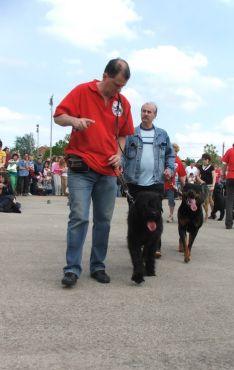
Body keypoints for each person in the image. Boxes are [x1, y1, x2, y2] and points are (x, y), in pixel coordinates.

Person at [54, 58, 134, 287]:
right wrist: (74, 120)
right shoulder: (82, 91)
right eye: (116, 84)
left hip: (108, 171)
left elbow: (124, 134)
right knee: (79, 217)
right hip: (82, 167)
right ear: (105, 75)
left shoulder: (123, 103)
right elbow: (59, 116)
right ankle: (72, 269)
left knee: (104, 220)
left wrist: (119, 154)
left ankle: (98, 265)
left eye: (122, 87)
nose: (118, 90)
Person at [122, 101, 175, 257]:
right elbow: (123, 155)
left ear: (155, 115)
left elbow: (170, 155)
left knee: (156, 214)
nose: (145, 114)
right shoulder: (130, 133)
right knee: (135, 215)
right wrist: (119, 166)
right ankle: (135, 244)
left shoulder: (162, 134)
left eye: (149, 112)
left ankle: (154, 246)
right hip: (134, 183)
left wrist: (169, 169)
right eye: (143, 111)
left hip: (156, 182)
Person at [164, 143, 186, 223]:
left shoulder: (178, 161)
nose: (173, 152)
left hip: (171, 185)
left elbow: (182, 175)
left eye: (175, 151)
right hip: (161, 183)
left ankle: (171, 215)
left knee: (171, 200)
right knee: (157, 199)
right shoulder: (164, 158)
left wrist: (184, 186)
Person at [197, 153, 216, 219]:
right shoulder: (200, 167)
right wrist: (201, 181)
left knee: (209, 199)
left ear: (208, 160)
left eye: (205, 159)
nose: (204, 160)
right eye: (203, 159)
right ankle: (205, 213)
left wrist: (213, 185)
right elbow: (197, 176)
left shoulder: (211, 167)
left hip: (210, 185)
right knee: (202, 199)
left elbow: (214, 176)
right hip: (202, 185)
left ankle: (213, 213)